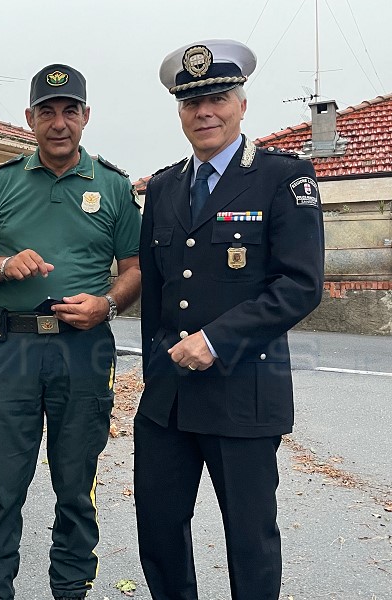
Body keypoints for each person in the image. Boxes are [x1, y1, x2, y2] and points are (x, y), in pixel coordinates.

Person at [135, 40, 325, 600]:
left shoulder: (282, 177)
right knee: (159, 530)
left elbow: (300, 285)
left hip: (244, 394)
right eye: (192, 103)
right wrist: (153, 370)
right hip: (169, 399)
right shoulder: (164, 186)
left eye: (217, 99)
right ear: (180, 112)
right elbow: (157, 293)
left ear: (242, 105)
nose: (205, 113)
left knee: (250, 538)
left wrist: (215, 341)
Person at [0, 64, 142, 600]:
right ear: (30, 118)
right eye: (47, 112)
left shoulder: (113, 186)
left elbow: (136, 269)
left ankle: (71, 590)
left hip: (83, 349)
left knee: (77, 485)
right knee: (1, 482)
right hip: (11, 349)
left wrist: (107, 304)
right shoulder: (2, 182)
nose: (59, 123)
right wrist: (3, 265)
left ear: (86, 116)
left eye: (69, 111)